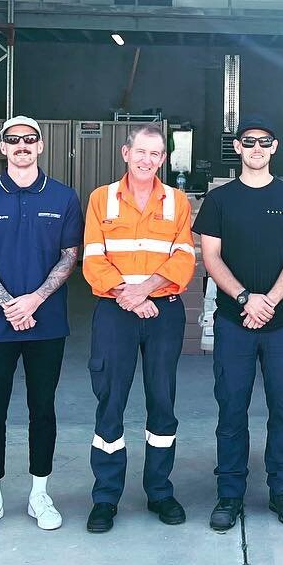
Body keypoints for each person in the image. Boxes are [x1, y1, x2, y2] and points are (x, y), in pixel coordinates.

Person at [0, 116, 82, 536]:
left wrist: (35, 300)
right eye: (13, 140)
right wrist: (11, 304)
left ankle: (38, 494)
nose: (22, 146)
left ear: (41, 146)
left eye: (29, 139)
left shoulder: (64, 197)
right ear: (3, 147)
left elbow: (70, 256)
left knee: (41, 409)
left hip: (47, 325)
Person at [194, 114, 283, 531]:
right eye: (249, 142)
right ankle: (230, 495)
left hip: (281, 325)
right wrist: (246, 299)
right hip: (234, 322)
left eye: (265, 142)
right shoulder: (219, 201)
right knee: (231, 410)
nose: (257, 149)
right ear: (239, 148)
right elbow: (210, 257)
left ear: (275, 147)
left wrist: (269, 301)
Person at [81, 124, 195, 532]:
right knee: (110, 400)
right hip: (115, 311)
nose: (147, 160)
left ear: (163, 159)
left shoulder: (176, 201)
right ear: (125, 153)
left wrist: (144, 291)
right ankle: (105, 497)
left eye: (155, 154)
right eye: (140, 152)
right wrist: (128, 296)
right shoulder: (102, 199)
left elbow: (184, 260)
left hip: (162, 311)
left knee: (162, 400)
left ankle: (160, 491)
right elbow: (93, 259)